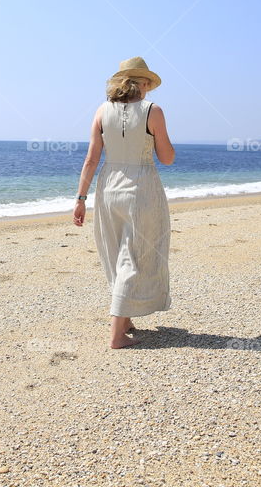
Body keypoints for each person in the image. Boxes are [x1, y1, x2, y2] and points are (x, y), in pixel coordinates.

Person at [73, 56, 176, 349]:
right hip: (140, 189)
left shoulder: (101, 111)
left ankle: (126, 319)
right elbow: (167, 158)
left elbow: (91, 159)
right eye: (147, 84)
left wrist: (80, 199)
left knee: (116, 252)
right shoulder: (152, 111)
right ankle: (117, 335)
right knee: (135, 255)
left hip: (107, 188)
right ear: (141, 83)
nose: (148, 90)